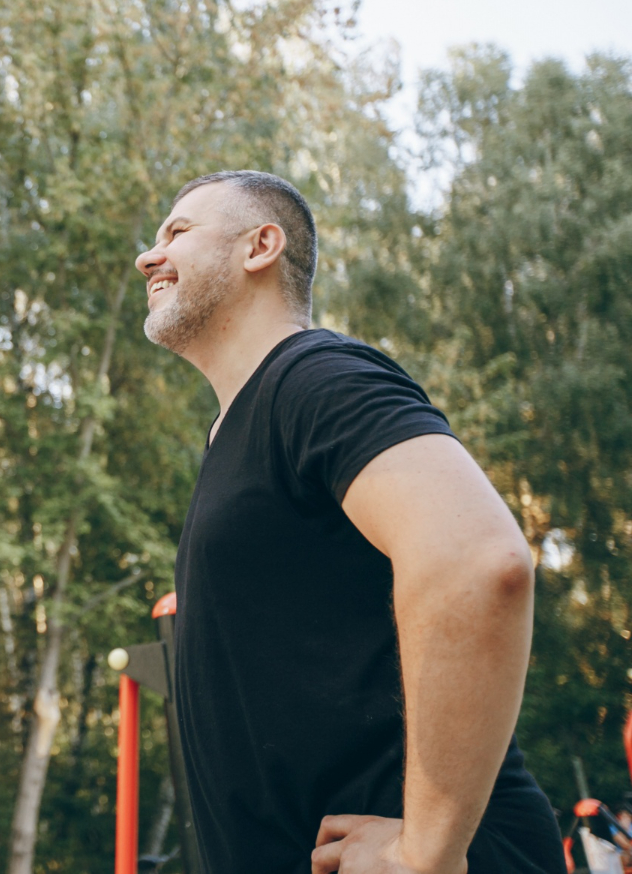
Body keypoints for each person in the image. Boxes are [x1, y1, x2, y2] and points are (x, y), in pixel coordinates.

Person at [134, 170, 562, 874]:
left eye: (177, 232)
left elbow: (479, 561)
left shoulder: (313, 378)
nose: (150, 256)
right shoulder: (236, 433)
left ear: (260, 247)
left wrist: (426, 852)